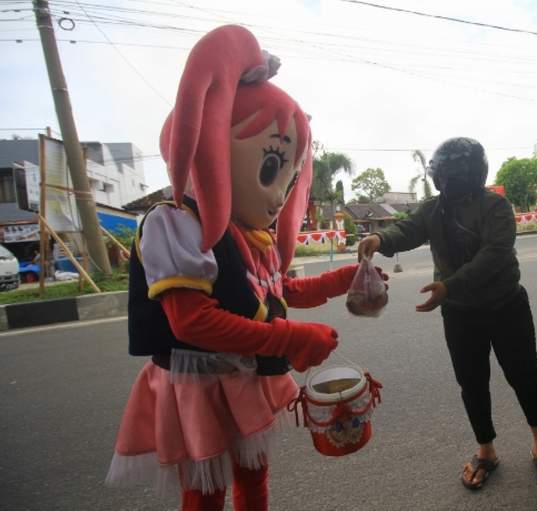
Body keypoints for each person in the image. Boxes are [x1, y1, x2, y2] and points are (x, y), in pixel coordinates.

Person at [105, 26, 383, 511]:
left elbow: (280, 292)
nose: (279, 193)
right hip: (199, 382)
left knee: (254, 480)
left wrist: (346, 279)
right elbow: (192, 320)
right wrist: (290, 340)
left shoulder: (251, 234)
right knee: (205, 493)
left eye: (289, 174)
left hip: (245, 374)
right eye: (270, 166)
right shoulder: (175, 224)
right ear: (207, 144)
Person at [358, 137, 537, 494]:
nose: (443, 183)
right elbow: (407, 229)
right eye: (440, 177)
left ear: (465, 176)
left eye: (448, 177)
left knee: (525, 376)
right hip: (461, 314)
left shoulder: (495, 206)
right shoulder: (434, 209)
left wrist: (449, 287)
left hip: (506, 306)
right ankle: (487, 451)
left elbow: (495, 254)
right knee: (472, 383)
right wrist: (380, 241)